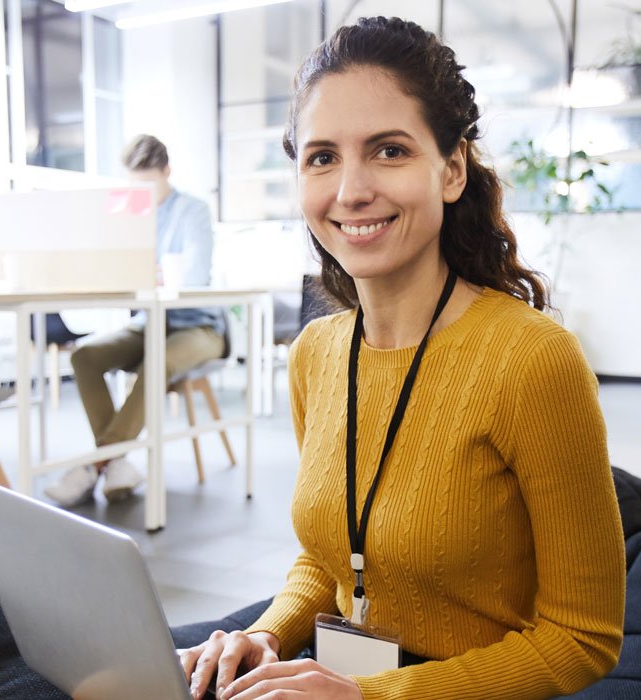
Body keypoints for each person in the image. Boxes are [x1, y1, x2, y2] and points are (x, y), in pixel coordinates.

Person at [174, 16, 626, 700]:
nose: (351, 190)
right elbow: (330, 559)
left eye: (388, 150)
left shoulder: (534, 360)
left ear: (450, 170)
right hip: (344, 665)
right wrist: (266, 636)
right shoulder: (317, 353)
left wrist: (373, 696)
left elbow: (583, 639)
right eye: (322, 157)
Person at [44, 134, 225, 507]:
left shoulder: (193, 211)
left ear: (166, 172)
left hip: (198, 326)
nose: (139, 193)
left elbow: (191, 277)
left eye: (147, 184)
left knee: (156, 360)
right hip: (148, 322)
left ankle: (96, 464)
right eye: (133, 184)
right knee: (85, 358)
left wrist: (152, 272)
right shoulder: (125, 213)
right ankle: (118, 464)